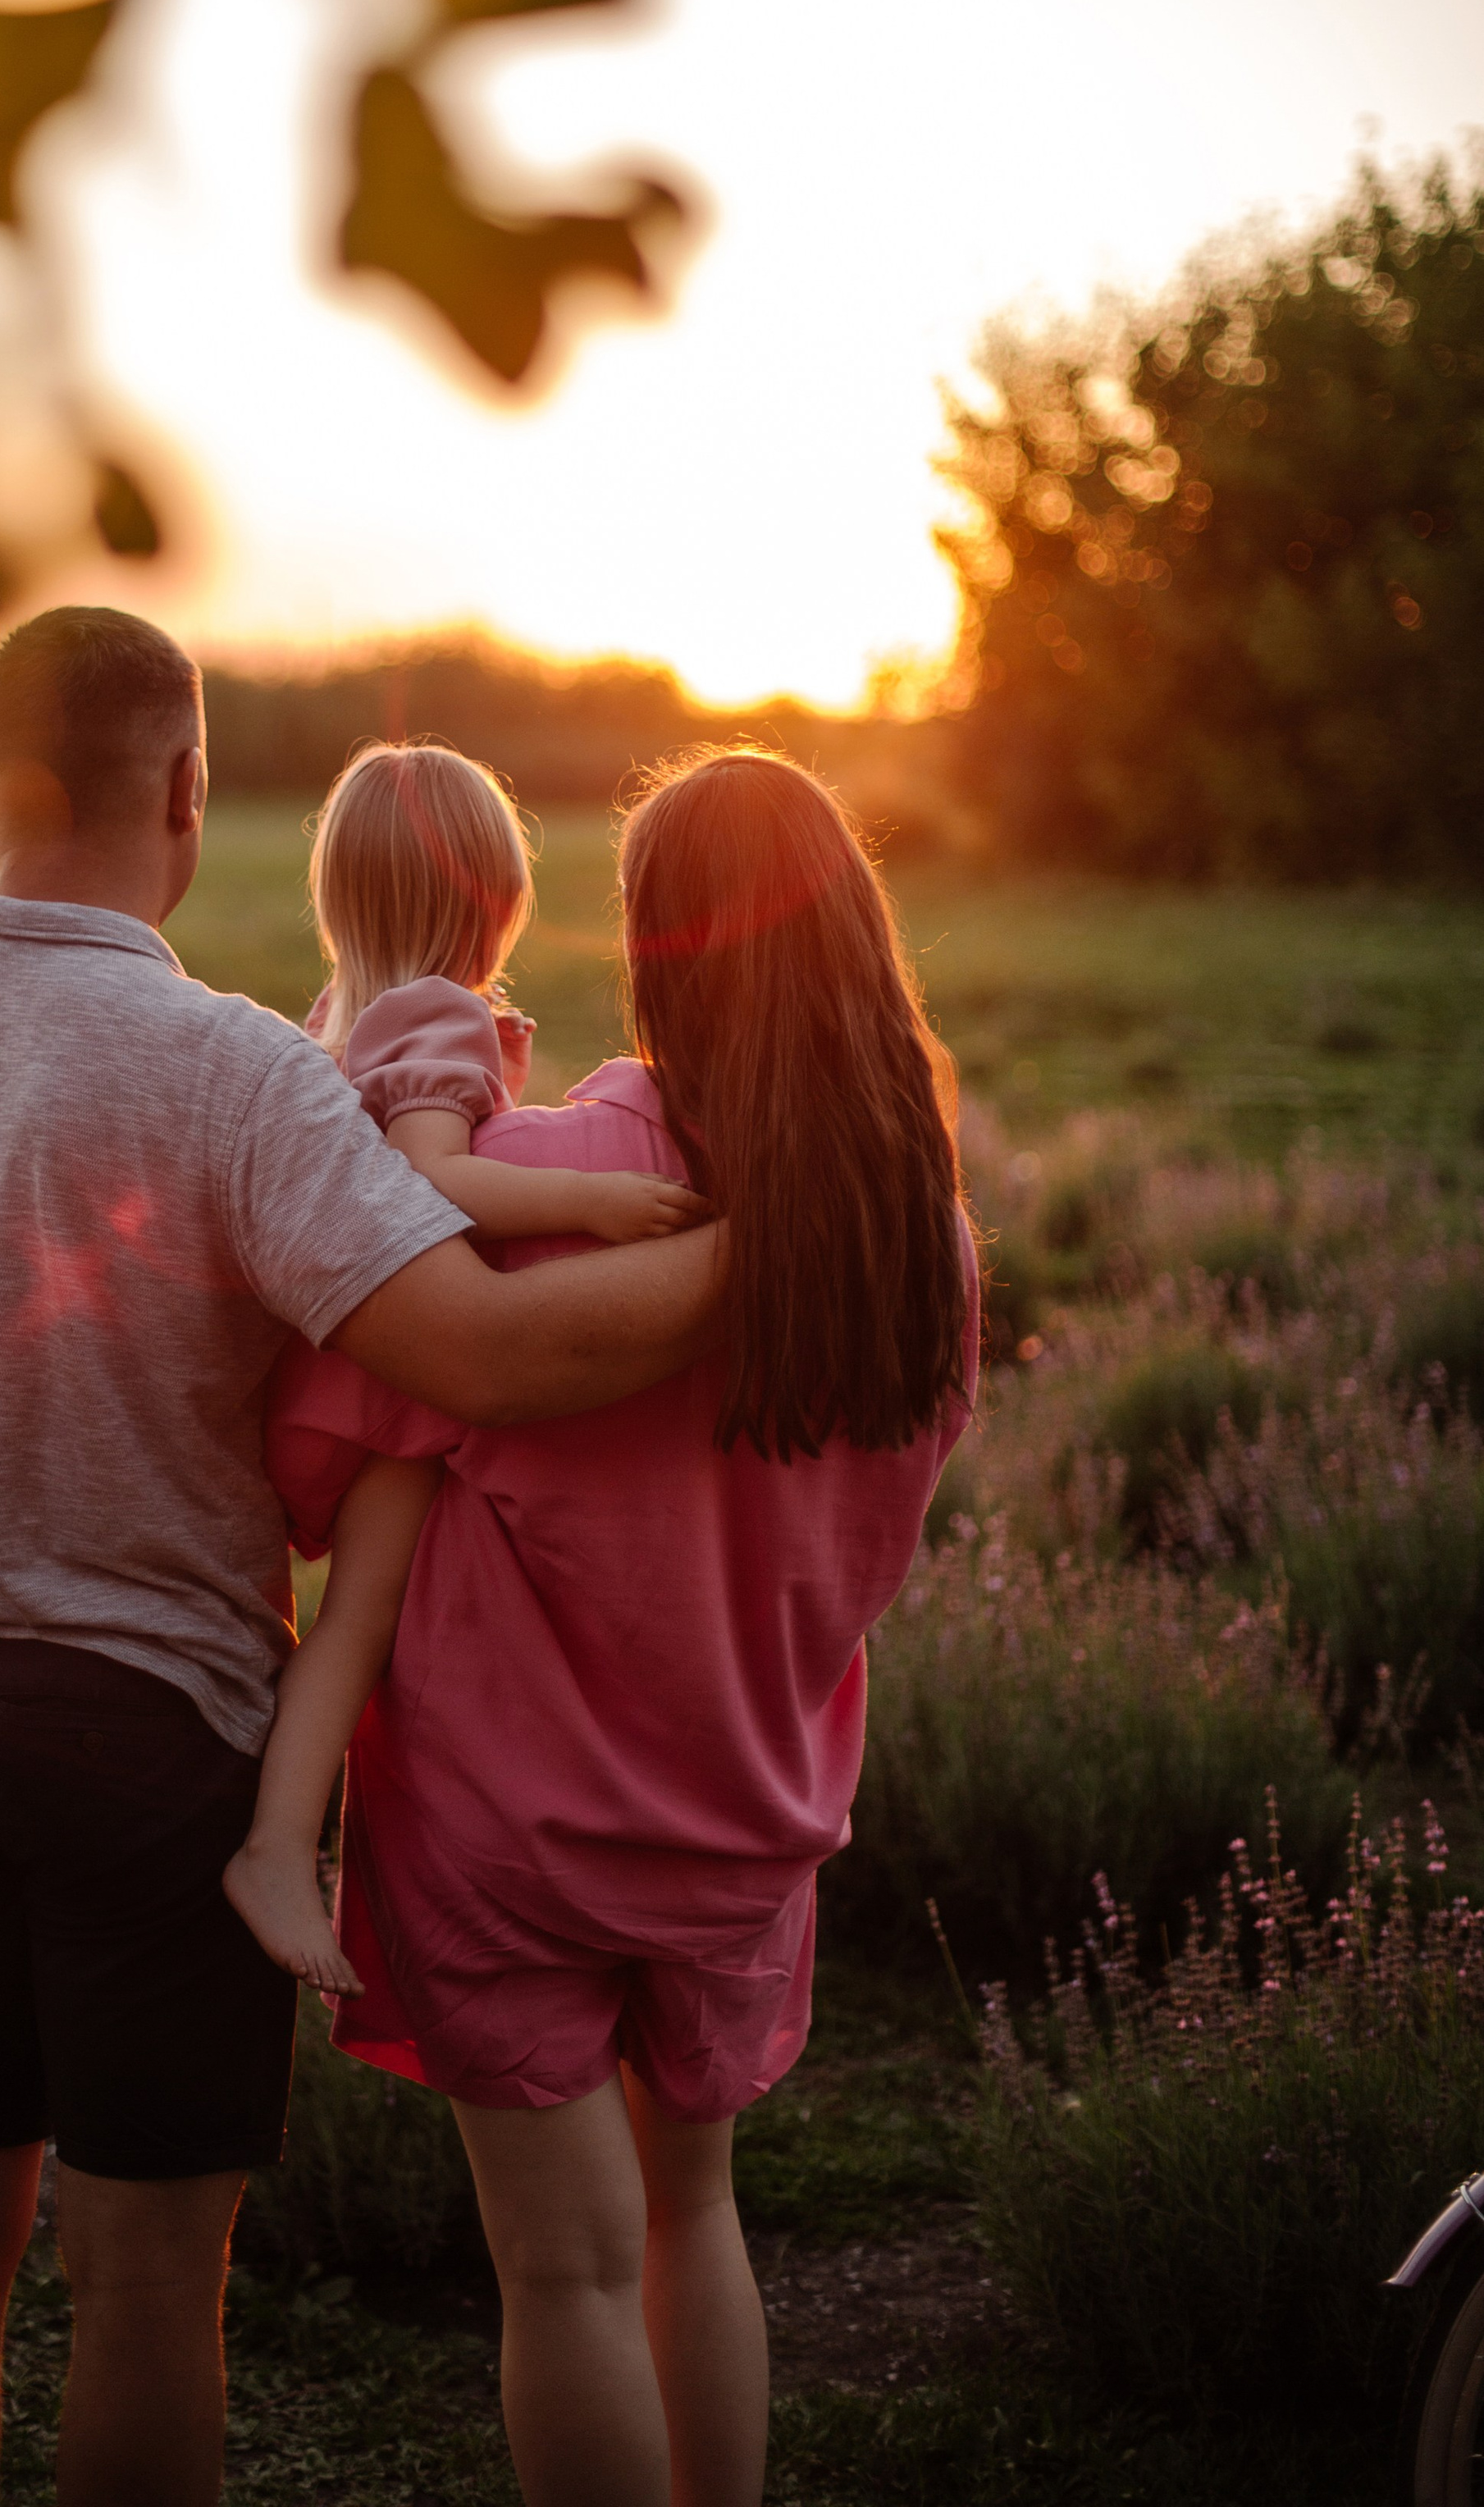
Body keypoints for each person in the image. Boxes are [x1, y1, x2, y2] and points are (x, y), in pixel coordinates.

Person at [0, 609, 724, 2507]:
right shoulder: (229, 1074)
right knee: (139, 2280)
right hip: (145, 1729)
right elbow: (484, 1355)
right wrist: (767, 1251)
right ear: (189, 792)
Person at [264, 749, 979, 2507]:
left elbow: (318, 1441)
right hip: (743, 1812)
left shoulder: (547, 1169)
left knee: (562, 2271)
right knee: (697, 2214)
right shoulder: (921, 1242)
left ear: (657, 948)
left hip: (503, 1820)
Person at [223, 741, 708, 1993]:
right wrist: (591, 1210)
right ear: (496, 897)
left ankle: (286, 1831)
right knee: (363, 1621)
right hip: (394, 1379)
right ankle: (279, 1848)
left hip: (342, 1358)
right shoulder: (435, 1013)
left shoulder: (338, 1015)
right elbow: (433, 1179)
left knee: (351, 1618)